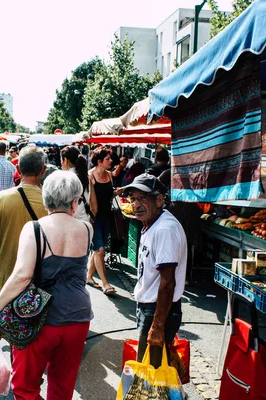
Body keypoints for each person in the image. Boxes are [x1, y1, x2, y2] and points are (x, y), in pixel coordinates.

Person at [0, 171, 93, 400]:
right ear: (75, 200)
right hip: (78, 316)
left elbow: (22, 275)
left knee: (25, 386)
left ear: (47, 198)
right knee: (63, 386)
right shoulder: (87, 229)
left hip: (38, 318)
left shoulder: (34, 229)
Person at [121, 173, 187, 369]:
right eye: (133, 199)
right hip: (149, 308)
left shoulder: (164, 230)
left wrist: (157, 326)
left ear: (159, 200)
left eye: (142, 198)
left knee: (152, 377)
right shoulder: (153, 224)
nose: (136, 205)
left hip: (157, 311)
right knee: (152, 373)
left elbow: (168, 283)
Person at [0, 146, 48, 295]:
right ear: (43, 170)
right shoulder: (50, 202)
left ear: (18, 169)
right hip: (40, 283)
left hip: (6, 282)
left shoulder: (1, 199)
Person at [87, 148, 116, 295]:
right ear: (99, 162)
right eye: (108, 159)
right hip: (94, 218)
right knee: (100, 250)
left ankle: (89, 276)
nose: (111, 161)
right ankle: (106, 283)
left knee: (99, 248)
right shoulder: (90, 176)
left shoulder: (110, 175)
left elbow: (109, 195)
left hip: (107, 217)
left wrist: (120, 191)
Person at [60, 145, 97, 223]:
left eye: (61, 160)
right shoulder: (87, 178)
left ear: (66, 160)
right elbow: (94, 208)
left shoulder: (64, 179)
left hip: (71, 224)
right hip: (86, 223)